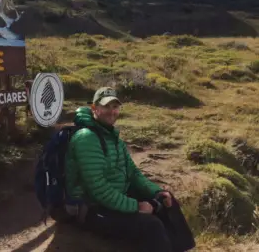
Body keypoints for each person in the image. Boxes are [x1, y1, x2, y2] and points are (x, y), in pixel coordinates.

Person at [64, 87, 195, 252]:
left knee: (167, 200)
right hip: (92, 208)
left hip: (115, 198)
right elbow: (99, 189)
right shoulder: (86, 138)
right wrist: (136, 206)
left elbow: (133, 173)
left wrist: (156, 192)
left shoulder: (114, 138)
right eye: (106, 106)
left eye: (115, 107)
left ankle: (182, 248)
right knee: (151, 225)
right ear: (94, 108)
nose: (111, 112)